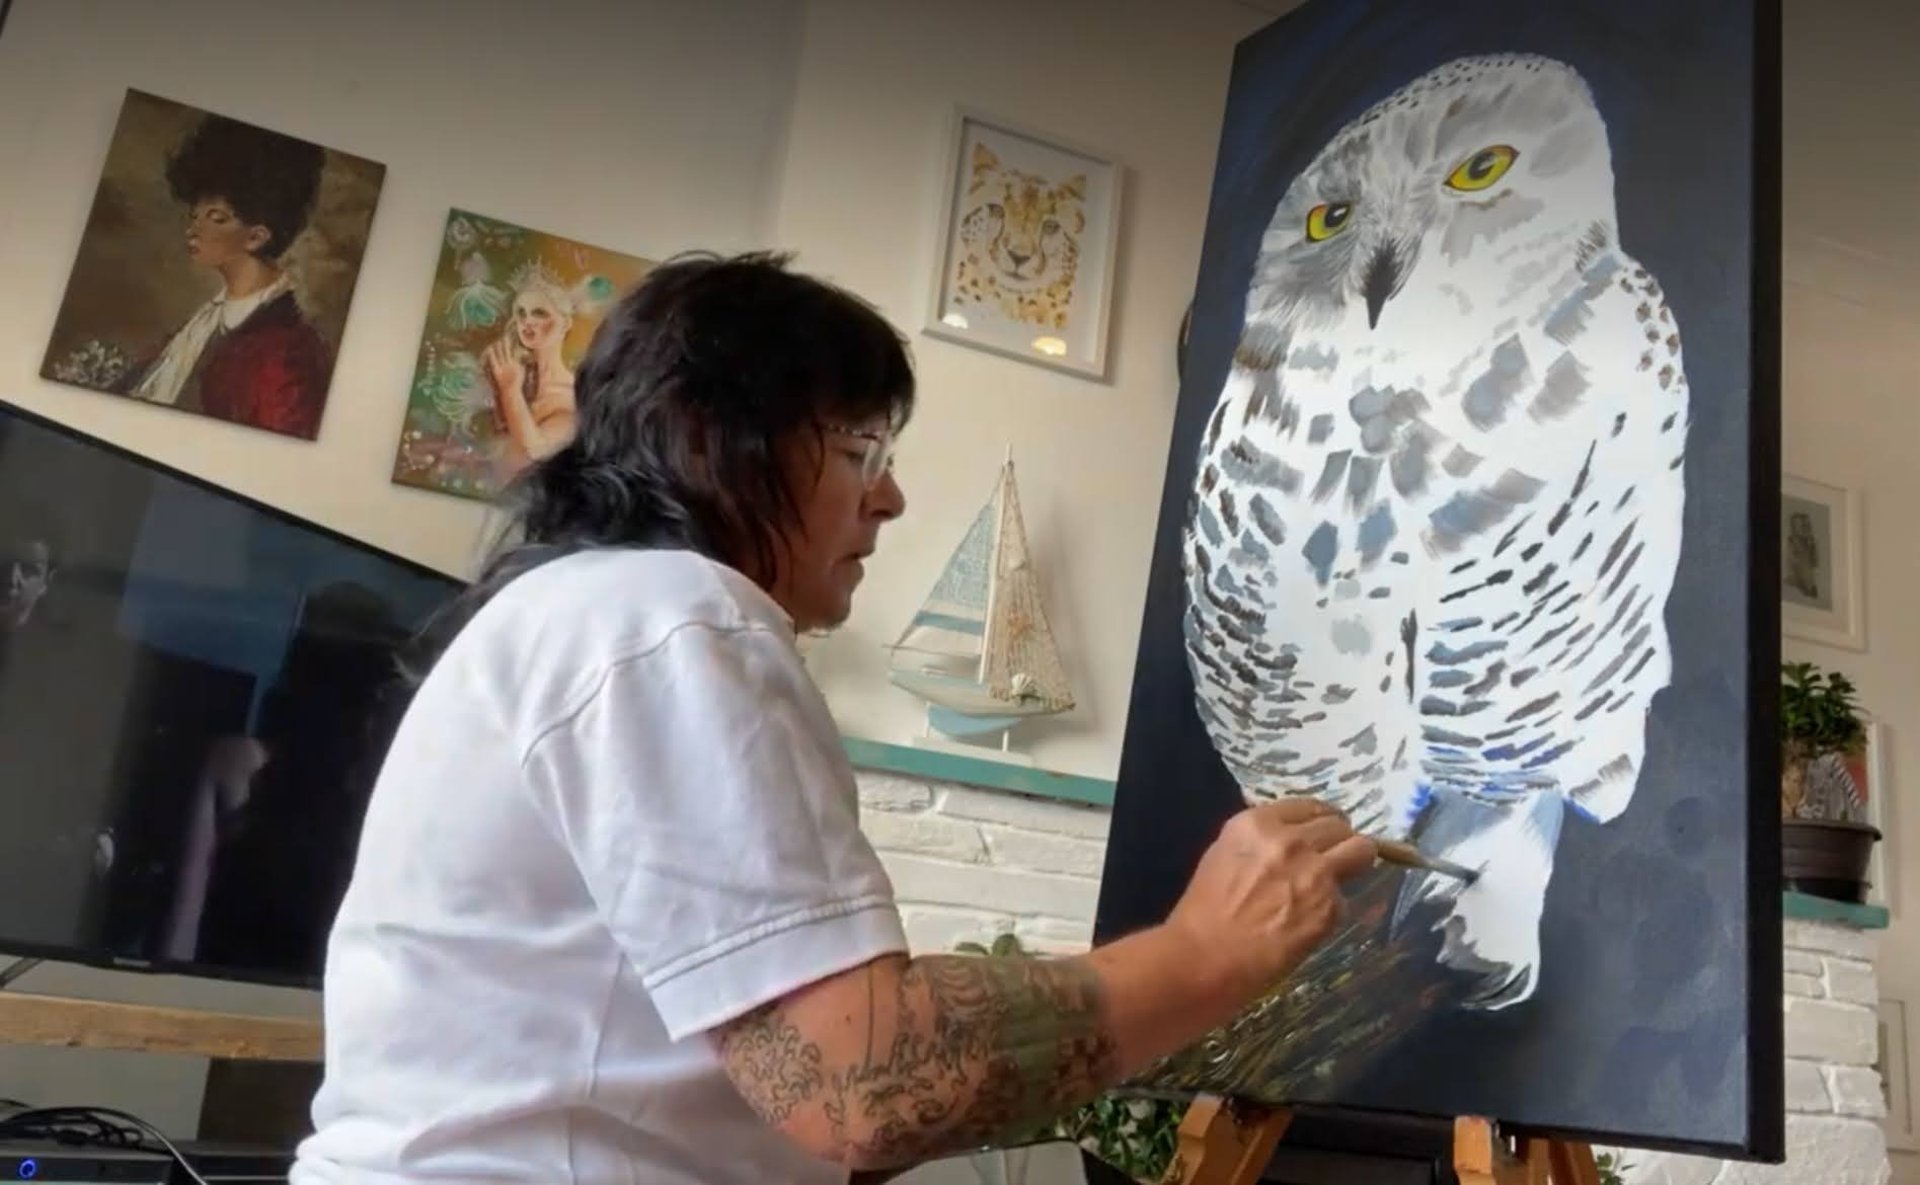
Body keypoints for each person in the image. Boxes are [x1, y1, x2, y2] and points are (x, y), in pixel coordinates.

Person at [289, 252, 1377, 1185]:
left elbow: (800, 1092)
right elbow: (860, 1083)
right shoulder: (673, 615)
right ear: (720, 441)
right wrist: (1206, 953)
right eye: (860, 452)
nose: (891, 500)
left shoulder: (589, 611)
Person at [122, 112, 333, 439]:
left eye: (216, 218)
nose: (193, 230)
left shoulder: (287, 352)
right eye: (195, 215)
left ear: (255, 237)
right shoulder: (204, 323)